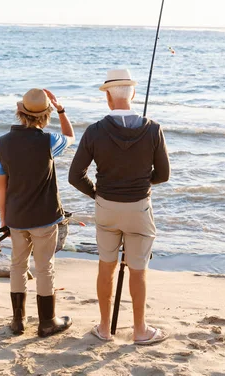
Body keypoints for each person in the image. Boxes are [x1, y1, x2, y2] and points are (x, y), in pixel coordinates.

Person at [69, 69, 170, 345]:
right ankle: (140, 330)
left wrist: (99, 194)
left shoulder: (94, 131)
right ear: (133, 94)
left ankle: (104, 328)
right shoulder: (153, 129)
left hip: (106, 208)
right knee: (138, 270)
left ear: (108, 99)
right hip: (139, 208)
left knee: (106, 266)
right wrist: (139, 182)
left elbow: (74, 175)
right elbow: (163, 175)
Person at [0, 88, 75, 337]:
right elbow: (70, 136)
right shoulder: (49, 142)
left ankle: (18, 322)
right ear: (46, 115)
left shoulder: (2, 143)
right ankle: (47, 322)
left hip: (16, 218)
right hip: (44, 217)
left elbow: (1, 186)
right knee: (44, 268)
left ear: (20, 113)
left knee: (17, 266)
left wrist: (4, 220)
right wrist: (62, 110)